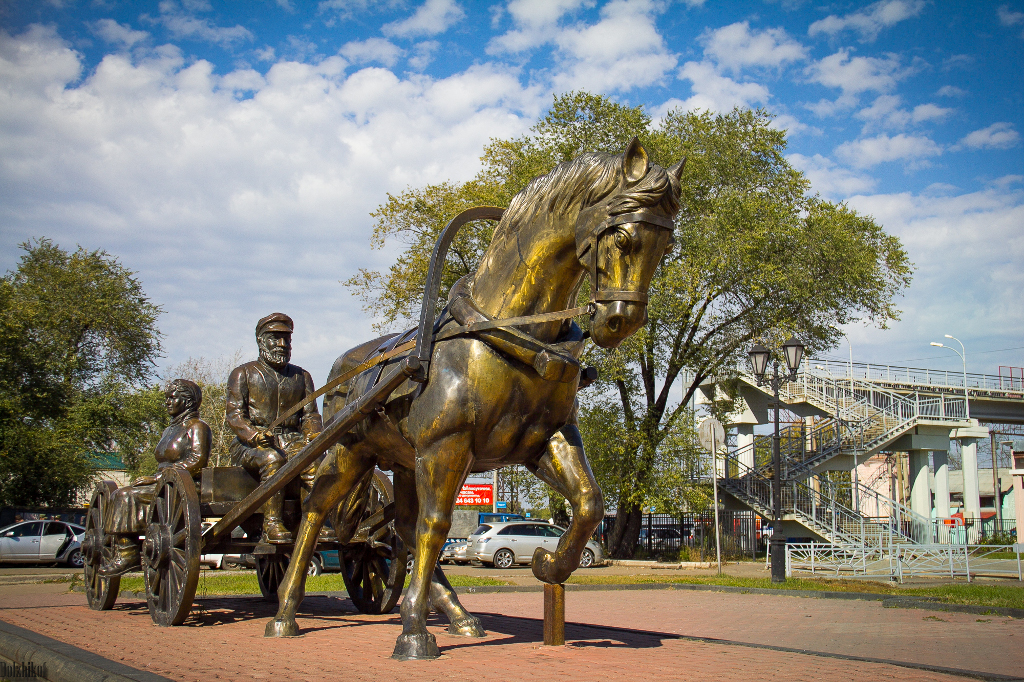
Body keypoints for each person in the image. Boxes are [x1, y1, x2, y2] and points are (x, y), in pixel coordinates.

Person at [225, 313, 322, 543]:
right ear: (261, 341)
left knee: (314, 460)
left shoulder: (302, 376)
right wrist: (254, 435)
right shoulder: (243, 374)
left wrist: (313, 434)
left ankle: (313, 522)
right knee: (272, 459)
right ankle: (271, 524)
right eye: (275, 339)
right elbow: (235, 415)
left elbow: (310, 415)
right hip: (249, 445)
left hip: (291, 439)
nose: (282, 345)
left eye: (286, 339)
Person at [100, 379, 211, 576]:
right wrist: (158, 478)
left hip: (186, 486)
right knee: (122, 493)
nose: (168, 402)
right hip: (165, 484)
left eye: (172, 397)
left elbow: (197, 460)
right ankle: (124, 545)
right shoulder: (169, 430)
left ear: (187, 401)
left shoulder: (197, 427)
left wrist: (157, 478)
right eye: (166, 398)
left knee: (125, 496)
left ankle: (129, 553)